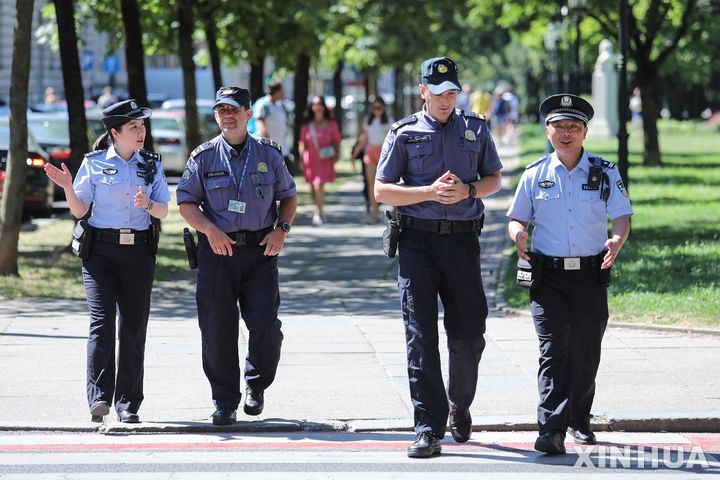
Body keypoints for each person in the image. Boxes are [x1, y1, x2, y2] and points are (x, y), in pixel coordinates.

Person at [375, 56, 503, 458]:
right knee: (421, 337)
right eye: (438, 92)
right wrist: (428, 192)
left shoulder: (476, 129)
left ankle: (459, 403)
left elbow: (494, 179)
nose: (446, 100)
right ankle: (428, 427)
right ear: (423, 91)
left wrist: (468, 191)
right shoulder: (404, 132)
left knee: (469, 335)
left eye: (452, 92)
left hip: (463, 242)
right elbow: (382, 190)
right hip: (417, 244)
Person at [506, 94, 633, 455]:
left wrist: (617, 240)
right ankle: (551, 429)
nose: (566, 133)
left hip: (591, 274)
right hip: (549, 277)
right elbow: (516, 217)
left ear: (585, 132)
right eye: (559, 126)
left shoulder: (604, 172)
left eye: (573, 127)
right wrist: (518, 235)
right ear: (548, 131)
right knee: (552, 351)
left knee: (585, 351)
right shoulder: (534, 175)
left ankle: (579, 419)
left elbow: (622, 215)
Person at [43, 99, 170, 424]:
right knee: (101, 324)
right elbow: (80, 210)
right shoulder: (94, 163)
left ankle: (128, 403)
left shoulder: (151, 164)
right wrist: (68, 187)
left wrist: (148, 204)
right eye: (133, 128)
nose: (141, 133)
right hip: (101, 254)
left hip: (139, 252)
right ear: (115, 132)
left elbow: (164, 210)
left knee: (132, 327)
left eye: (142, 126)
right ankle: (99, 398)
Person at [177, 87, 297, 425]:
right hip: (217, 252)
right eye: (221, 111)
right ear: (216, 116)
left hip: (260, 250)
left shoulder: (270, 154)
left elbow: (289, 197)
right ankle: (225, 400)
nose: (227, 116)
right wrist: (209, 230)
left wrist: (281, 229)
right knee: (217, 329)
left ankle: (256, 385)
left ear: (248, 113)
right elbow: (186, 203)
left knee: (265, 325)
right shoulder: (203, 157)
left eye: (234, 110)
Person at [298, 96, 341, 226]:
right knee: (313, 187)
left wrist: (337, 153)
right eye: (315, 104)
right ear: (311, 107)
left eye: (320, 104)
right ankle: (318, 206)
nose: (317, 107)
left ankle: (318, 212)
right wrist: (301, 159)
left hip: (325, 159)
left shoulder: (332, 124)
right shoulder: (307, 126)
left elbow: (337, 140)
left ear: (324, 107)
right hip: (310, 159)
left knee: (319, 185)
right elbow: (302, 143)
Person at [351, 97, 393, 223]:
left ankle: (390, 208)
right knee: (371, 184)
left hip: (384, 153)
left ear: (384, 108)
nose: (377, 110)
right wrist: (354, 154)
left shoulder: (389, 121)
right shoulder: (368, 122)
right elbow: (363, 139)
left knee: (387, 182)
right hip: (370, 152)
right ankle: (374, 212)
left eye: (379, 108)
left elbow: (393, 139)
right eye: (374, 108)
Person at [253, 80, 292, 172]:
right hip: (267, 149)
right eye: (282, 90)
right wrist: (268, 143)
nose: (283, 93)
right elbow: (260, 124)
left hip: (282, 148)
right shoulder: (263, 104)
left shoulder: (280, 105)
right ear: (277, 91)